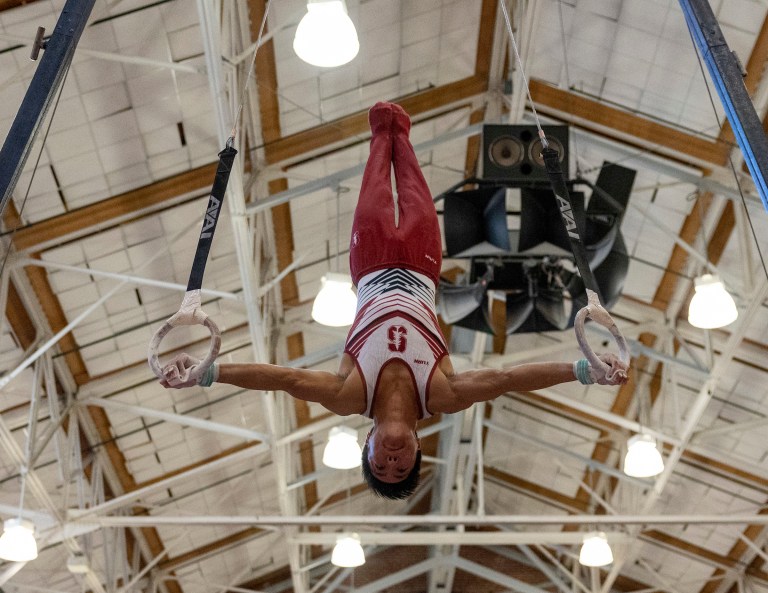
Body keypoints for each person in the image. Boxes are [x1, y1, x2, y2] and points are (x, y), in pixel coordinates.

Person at [160, 101, 628, 500]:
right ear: (419, 449)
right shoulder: (442, 395)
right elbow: (507, 378)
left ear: (366, 444)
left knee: (380, 146)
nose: (390, 460)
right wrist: (583, 369)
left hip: (372, 261)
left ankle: (383, 126)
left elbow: (282, 378)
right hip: (424, 265)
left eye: (379, 465)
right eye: (400, 467)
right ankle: (397, 126)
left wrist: (208, 372)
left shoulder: (349, 395)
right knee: (404, 154)